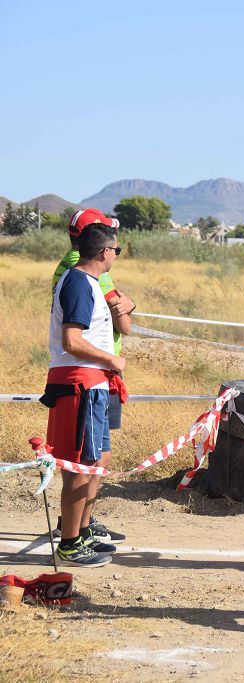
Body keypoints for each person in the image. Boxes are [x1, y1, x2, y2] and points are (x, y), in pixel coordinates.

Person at [43, 225, 127, 567]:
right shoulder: (79, 282)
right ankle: (70, 543)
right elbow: (72, 341)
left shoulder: (87, 283)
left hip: (92, 384)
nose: (116, 256)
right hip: (79, 383)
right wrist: (111, 359)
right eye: (116, 250)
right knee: (79, 465)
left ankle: (82, 532)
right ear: (105, 252)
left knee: (94, 460)